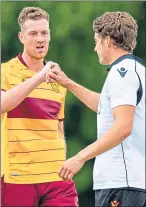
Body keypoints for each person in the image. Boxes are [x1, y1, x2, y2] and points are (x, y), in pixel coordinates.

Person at [48, 12, 146, 207]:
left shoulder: (122, 73)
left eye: (97, 41)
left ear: (108, 41)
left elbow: (123, 127)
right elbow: (105, 106)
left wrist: (80, 157)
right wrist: (67, 83)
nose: (95, 48)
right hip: (129, 183)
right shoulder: (135, 70)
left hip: (120, 182)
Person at [1, 7, 78, 207]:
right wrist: (38, 77)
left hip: (57, 178)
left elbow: (58, 129)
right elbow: (2, 104)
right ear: (21, 36)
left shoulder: (58, 79)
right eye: (33, 33)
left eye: (44, 33)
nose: (40, 39)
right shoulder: (5, 73)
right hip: (18, 177)